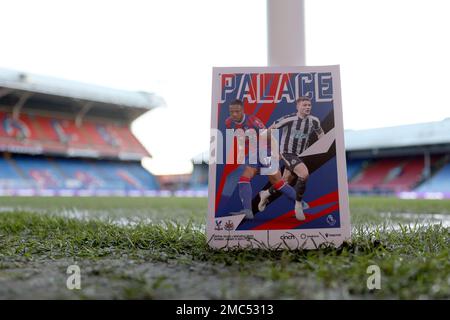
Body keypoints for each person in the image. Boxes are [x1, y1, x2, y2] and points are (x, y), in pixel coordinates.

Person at [225, 99, 296, 219]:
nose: (234, 115)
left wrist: (275, 153)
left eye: (237, 111)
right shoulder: (228, 122)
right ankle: (248, 211)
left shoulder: (253, 121)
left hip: (265, 150)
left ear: (242, 110)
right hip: (253, 153)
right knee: (244, 177)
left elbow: (268, 136)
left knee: (277, 182)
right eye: (231, 112)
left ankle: (299, 203)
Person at [258, 96, 324, 220]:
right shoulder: (289, 119)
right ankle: (298, 206)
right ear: (297, 106)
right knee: (304, 174)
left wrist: (322, 144)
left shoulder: (314, 120)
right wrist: (264, 140)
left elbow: (320, 133)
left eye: (309, 105)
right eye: (304, 105)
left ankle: (265, 194)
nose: (307, 107)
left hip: (301, 155)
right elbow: (271, 129)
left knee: (284, 182)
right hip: (287, 153)